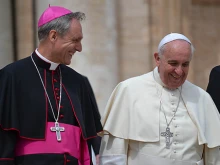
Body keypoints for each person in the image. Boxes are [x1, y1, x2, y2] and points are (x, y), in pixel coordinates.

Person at [0, 5, 102, 165]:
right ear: (53, 36)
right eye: (75, 40)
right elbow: (4, 142)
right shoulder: (11, 76)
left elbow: (92, 140)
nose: (79, 48)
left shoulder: (78, 82)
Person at [99, 33, 220, 165]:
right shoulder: (128, 90)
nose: (179, 71)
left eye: (185, 64)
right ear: (157, 58)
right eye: (173, 63)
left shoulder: (202, 98)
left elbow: (214, 156)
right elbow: (114, 155)